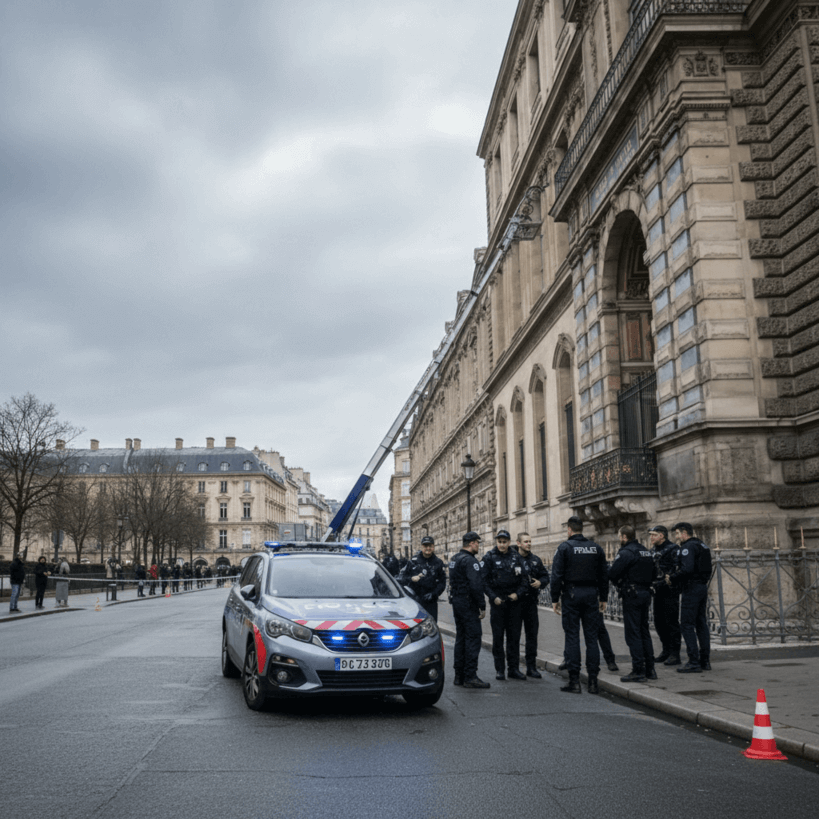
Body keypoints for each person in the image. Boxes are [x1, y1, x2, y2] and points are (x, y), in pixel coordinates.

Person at [550, 516, 608, 694]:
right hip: (591, 594)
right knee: (592, 639)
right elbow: (604, 575)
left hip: (572, 595)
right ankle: (593, 682)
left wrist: (554, 598)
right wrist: (603, 598)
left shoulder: (565, 548)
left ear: (569, 529)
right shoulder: (595, 548)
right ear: (581, 528)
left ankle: (574, 681)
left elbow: (556, 576)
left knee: (572, 637)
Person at [609, 525, 657, 683]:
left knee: (633, 633)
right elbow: (655, 573)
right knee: (644, 631)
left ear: (623, 537)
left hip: (632, 595)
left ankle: (638, 670)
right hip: (645, 594)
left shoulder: (626, 552)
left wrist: (621, 582)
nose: (619, 539)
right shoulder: (645, 551)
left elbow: (613, 573)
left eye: (619, 536)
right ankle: (650, 669)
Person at [482, 529, 529, 681]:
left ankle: (513, 669)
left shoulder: (516, 557)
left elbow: (524, 580)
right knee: (498, 638)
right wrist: (492, 596)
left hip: (514, 603)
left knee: (514, 638)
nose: (502, 545)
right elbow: (484, 581)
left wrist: (518, 594)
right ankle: (500, 670)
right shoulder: (489, 557)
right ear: (496, 542)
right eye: (499, 542)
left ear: (509, 542)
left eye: (504, 542)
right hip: (498, 603)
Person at [667, 522, 712, 673]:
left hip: (691, 587)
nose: (676, 537)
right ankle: (705, 660)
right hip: (702, 587)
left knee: (686, 624)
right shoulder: (702, 545)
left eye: (677, 534)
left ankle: (693, 661)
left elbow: (687, 569)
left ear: (684, 532)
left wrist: (672, 578)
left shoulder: (688, 547)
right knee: (701, 623)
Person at [448, 531, 490, 688]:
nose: (478, 546)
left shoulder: (454, 559)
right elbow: (476, 585)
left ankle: (459, 675)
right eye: (477, 543)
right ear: (472, 543)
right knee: (473, 638)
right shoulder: (470, 561)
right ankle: (470, 676)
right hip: (468, 604)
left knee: (461, 638)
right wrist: (482, 605)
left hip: (457, 602)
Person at [514, 532, 549, 678]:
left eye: (530, 541)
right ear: (518, 543)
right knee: (514, 637)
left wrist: (540, 582)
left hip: (531, 603)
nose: (528, 544)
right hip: (516, 604)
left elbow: (546, 576)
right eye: (525, 541)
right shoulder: (513, 559)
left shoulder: (535, 560)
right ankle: (514, 667)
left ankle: (531, 667)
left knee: (532, 636)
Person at [649, 524, 682, 666]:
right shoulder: (652, 550)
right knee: (659, 622)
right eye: (650, 535)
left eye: (653, 535)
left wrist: (668, 580)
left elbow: (677, 568)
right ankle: (666, 650)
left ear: (661, 535)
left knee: (671, 622)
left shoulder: (673, 549)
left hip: (669, 590)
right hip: (656, 590)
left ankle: (675, 654)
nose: (651, 537)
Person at [398, 536, 447, 621]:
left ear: (433, 547)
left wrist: (434, 594)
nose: (428, 548)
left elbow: (442, 582)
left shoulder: (438, 562)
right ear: (421, 547)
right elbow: (402, 578)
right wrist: (411, 579)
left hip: (431, 601)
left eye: (430, 546)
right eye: (425, 546)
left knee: (432, 625)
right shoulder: (413, 561)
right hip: (415, 601)